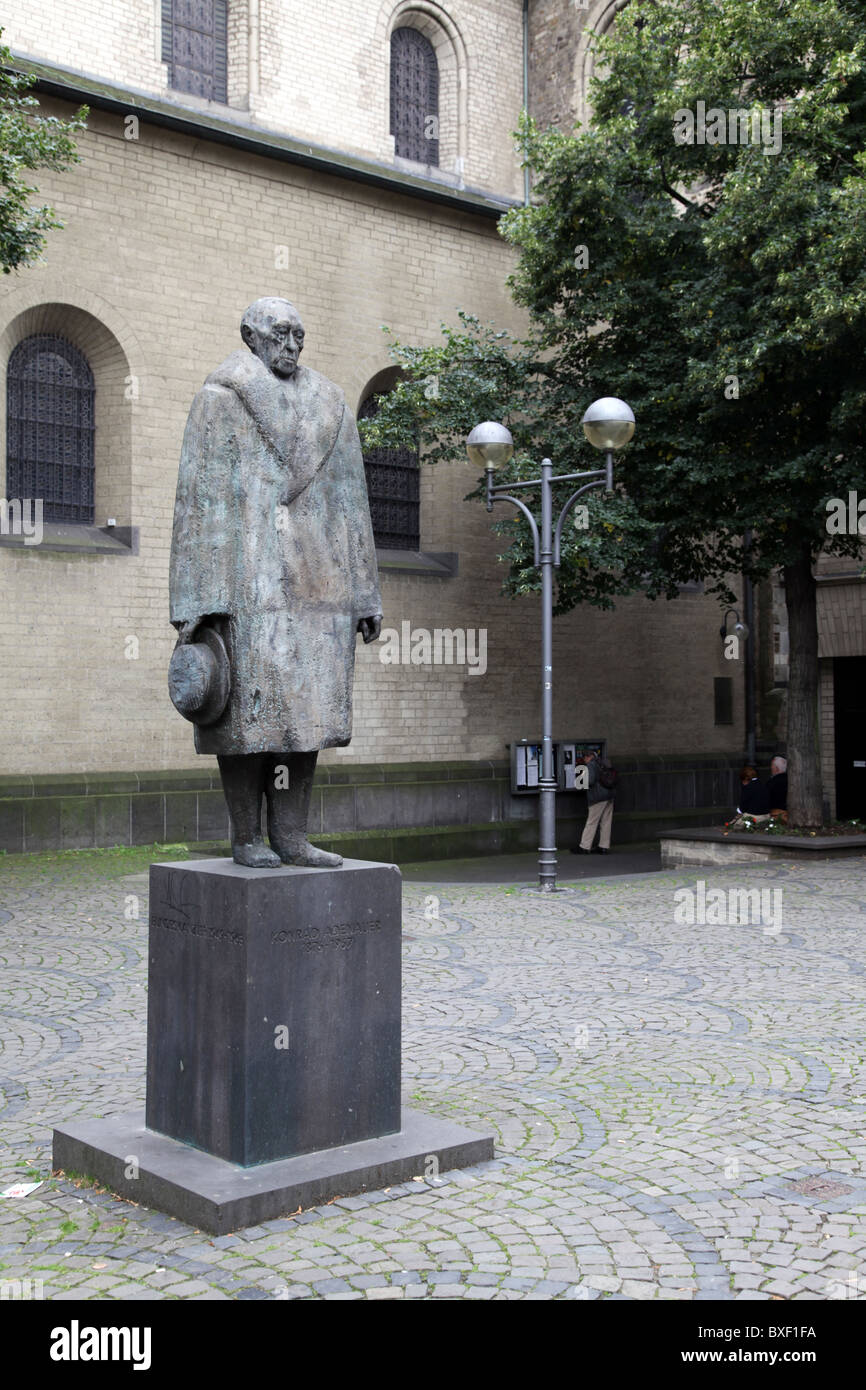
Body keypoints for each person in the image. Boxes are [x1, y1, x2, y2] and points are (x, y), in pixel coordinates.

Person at [169, 297, 382, 869]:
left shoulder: (331, 405)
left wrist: (365, 592)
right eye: (281, 334)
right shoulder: (220, 400)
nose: (291, 345)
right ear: (251, 336)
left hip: (320, 586)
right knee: (246, 719)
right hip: (246, 584)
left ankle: (291, 835)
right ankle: (246, 837)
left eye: (300, 336)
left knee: (304, 717)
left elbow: (352, 505)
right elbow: (198, 501)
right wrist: (196, 599)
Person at [572, 750, 616, 854]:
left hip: (598, 797)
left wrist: (581, 780)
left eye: (584, 758)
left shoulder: (591, 765)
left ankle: (584, 847)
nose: (584, 760)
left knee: (591, 822)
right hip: (609, 795)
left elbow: (590, 781)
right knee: (606, 822)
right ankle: (604, 847)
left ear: (588, 757)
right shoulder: (603, 762)